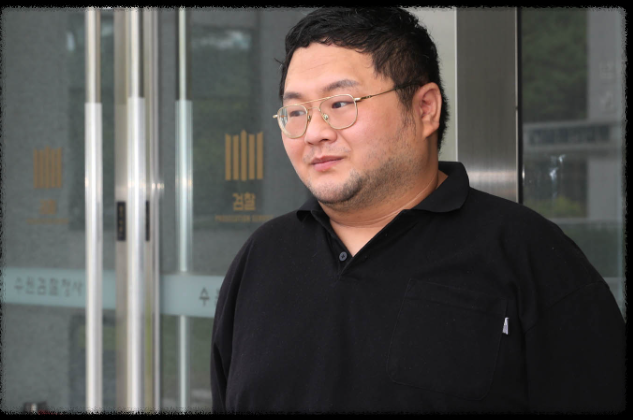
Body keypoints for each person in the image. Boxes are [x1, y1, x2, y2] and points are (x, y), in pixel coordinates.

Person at [210, 7, 625, 413]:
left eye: (340, 103)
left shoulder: (528, 255)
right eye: (297, 112)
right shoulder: (262, 258)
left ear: (425, 108)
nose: (314, 132)